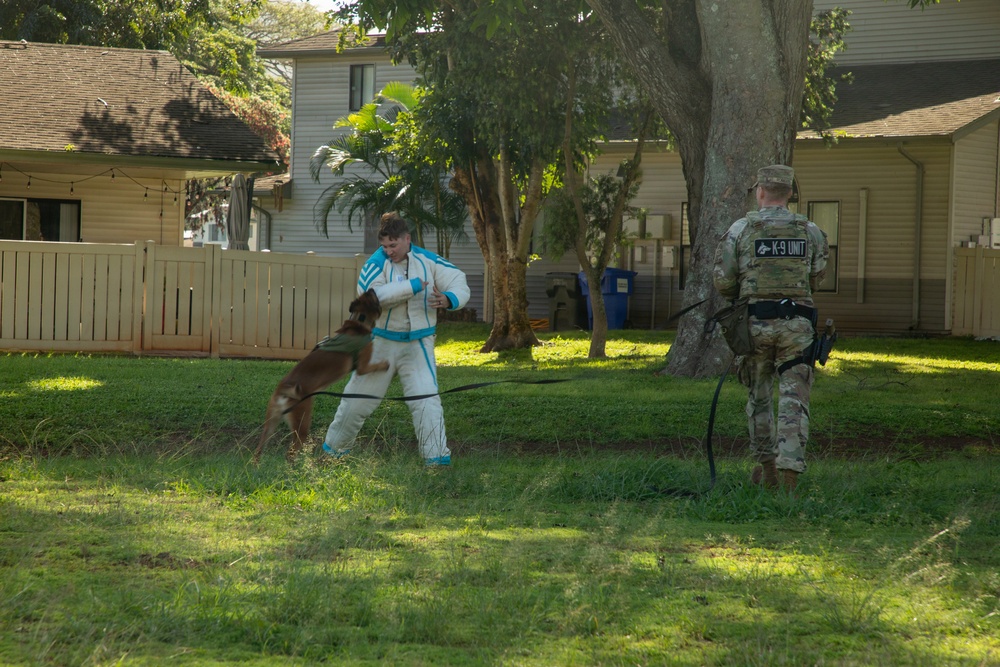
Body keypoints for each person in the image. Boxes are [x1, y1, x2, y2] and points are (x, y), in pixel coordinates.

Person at [712, 165, 829, 492]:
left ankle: (768, 471)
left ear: (760, 191)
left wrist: (746, 292)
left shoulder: (740, 229)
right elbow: (817, 278)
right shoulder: (811, 231)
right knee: (794, 401)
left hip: (755, 327)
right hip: (797, 328)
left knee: (759, 397)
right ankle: (789, 477)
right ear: (789, 193)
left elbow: (723, 281)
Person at [322, 212, 470, 467]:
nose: (389, 251)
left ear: (406, 239)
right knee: (356, 402)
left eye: (393, 245)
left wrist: (449, 299)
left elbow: (458, 280)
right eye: (384, 246)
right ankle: (333, 454)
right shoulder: (375, 264)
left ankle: (436, 463)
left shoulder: (428, 260)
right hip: (381, 344)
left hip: (419, 345)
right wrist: (413, 286)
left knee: (427, 404)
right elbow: (372, 298)